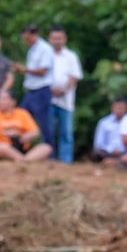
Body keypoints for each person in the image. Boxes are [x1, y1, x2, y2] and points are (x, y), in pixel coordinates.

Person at [0, 90, 52, 162]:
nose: (0, 102)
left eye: (3, 99)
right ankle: (24, 160)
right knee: (0, 148)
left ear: (13, 102)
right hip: (5, 148)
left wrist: (20, 137)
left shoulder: (22, 113)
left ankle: (24, 160)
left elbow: (35, 132)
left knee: (46, 148)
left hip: (22, 148)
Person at [12, 24, 54, 147]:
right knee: (21, 116)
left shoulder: (45, 48)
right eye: (24, 39)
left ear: (35, 35)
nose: (26, 41)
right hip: (31, 90)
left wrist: (24, 69)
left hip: (41, 90)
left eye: (28, 39)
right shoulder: (32, 49)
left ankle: (49, 152)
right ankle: (21, 147)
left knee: (44, 122)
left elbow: (43, 71)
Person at [48, 24, 83, 164]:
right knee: (48, 132)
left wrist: (63, 90)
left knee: (66, 133)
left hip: (66, 100)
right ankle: (48, 159)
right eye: (54, 38)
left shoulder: (71, 56)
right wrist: (50, 91)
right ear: (49, 39)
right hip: (48, 99)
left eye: (60, 38)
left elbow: (75, 76)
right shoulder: (45, 55)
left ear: (65, 39)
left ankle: (65, 161)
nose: (57, 41)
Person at [92, 98, 127, 163]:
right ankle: (118, 162)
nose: (120, 110)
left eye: (122, 108)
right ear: (112, 108)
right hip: (108, 152)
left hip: (124, 152)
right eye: (118, 107)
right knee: (96, 153)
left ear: (126, 109)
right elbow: (98, 143)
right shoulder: (104, 122)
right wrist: (111, 150)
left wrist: (120, 150)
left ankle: (114, 161)